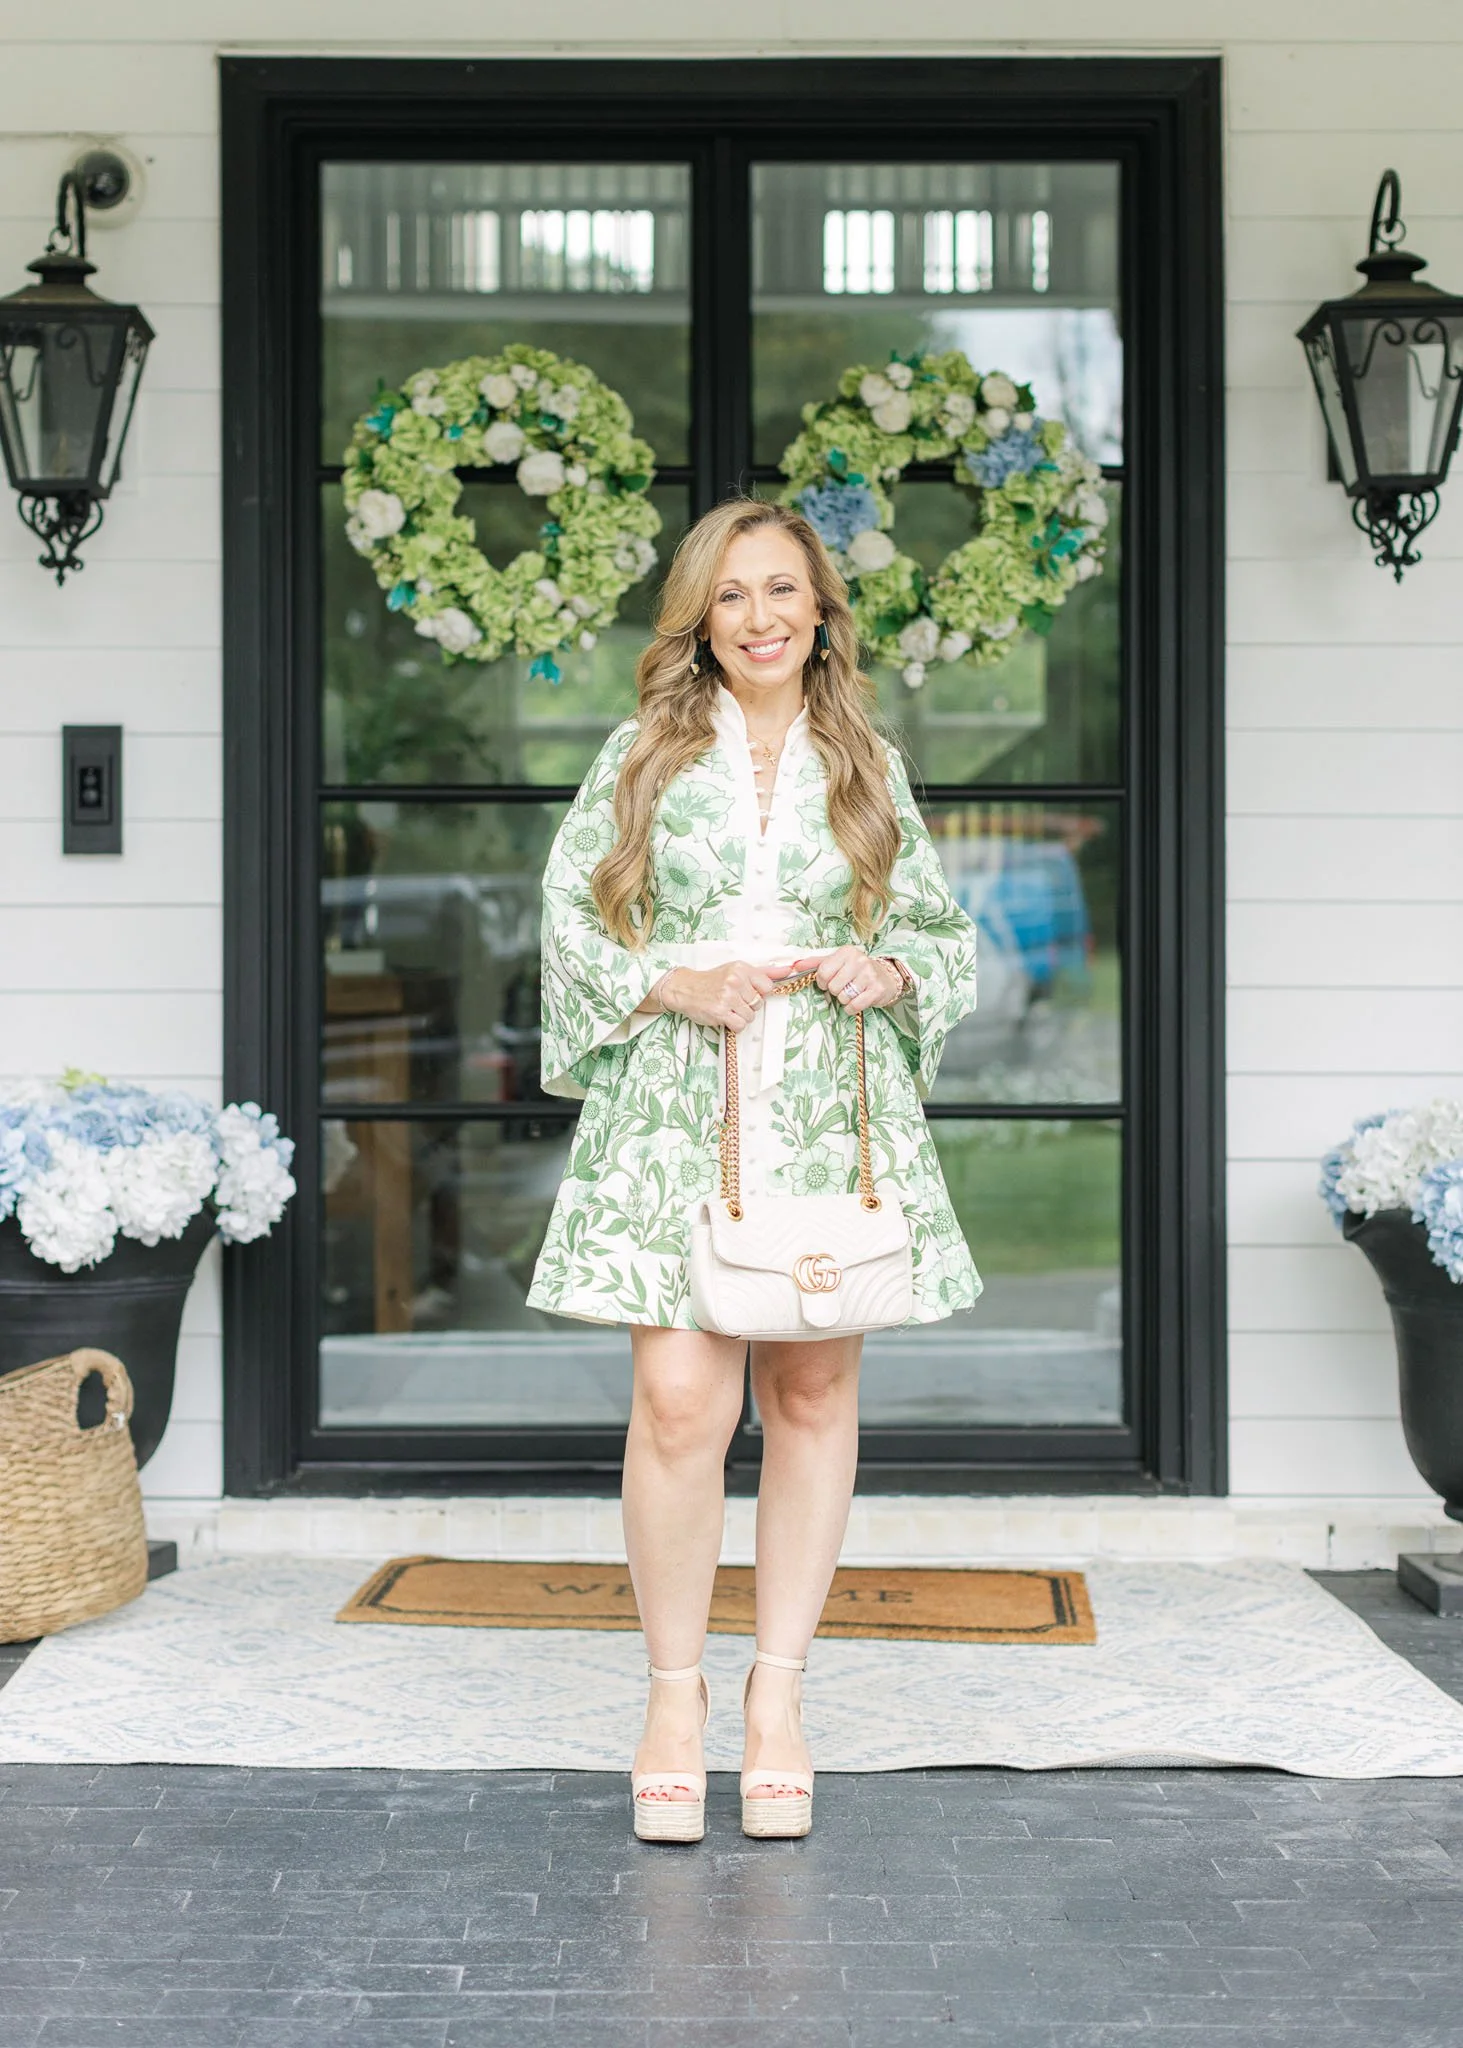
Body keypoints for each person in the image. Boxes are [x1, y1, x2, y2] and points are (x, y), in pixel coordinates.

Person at [527, 498, 982, 1842]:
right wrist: (674, 976)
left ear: (821, 610)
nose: (761, 615)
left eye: (783, 589)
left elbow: (942, 937)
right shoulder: (637, 756)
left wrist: (883, 965)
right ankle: (675, 1697)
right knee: (676, 1402)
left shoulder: (867, 762)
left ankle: (775, 1695)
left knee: (810, 1384)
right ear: (698, 620)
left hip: (831, 1108)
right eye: (731, 596)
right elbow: (563, 926)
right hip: (680, 1102)